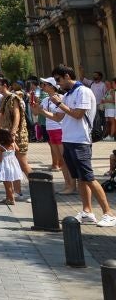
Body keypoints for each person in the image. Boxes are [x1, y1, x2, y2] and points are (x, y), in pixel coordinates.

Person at [42, 64, 115, 226]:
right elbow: (59, 117)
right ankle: (87, 211)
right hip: (69, 139)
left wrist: (60, 104)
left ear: (68, 76)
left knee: (88, 177)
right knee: (81, 178)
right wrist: (41, 111)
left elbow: (78, 114)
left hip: (80, 140)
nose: (57, 83)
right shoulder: (68, 94)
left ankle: (108, 213)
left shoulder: (83, 91)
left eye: (58, 79)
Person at [0, 78, 31, 198]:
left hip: (17, 135)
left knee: (23, 163)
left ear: (5, 85)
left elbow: (17, 116)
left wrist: (13, 133)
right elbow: (1, 115)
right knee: (14, 164)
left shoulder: (13, 98)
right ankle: (18, 192)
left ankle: (38, 190)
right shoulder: (3, 99)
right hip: (7, 135)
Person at [0, 128, 22, 206]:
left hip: (5, 166)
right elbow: (18, 149)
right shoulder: (13, 143)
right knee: (10, 183)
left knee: (7, 185)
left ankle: (12, 200)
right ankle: (7, 198)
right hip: (14, 165)